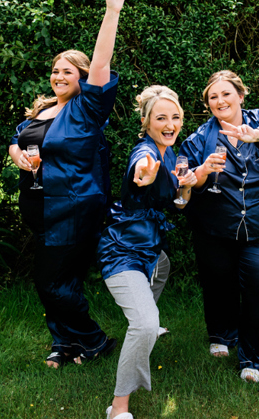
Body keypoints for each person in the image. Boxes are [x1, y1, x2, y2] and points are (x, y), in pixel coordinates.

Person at [8, 0, 126, 368]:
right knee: (63, 282)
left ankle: (93, 340)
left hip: (72, 207)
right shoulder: (42, 110)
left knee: (50, 283)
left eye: (68, 72)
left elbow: (103, 62)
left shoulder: (86, 111)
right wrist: (15, 153)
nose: (59, 76)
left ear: (82, 78)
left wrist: (111, 14)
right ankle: (65, 344)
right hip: (40, 207)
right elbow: (18, 138)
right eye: (55, 70)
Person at [179, 70, 259, 383]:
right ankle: (223, 335)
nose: (220, 100)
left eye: (226, 94)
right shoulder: (199, 138)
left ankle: (254, 355)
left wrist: (257, 135)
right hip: (215, 230)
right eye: (213, 97)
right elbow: (182, 182)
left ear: (241, 95)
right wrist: (197, 175)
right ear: (208, 105)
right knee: (218, 283)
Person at [98, 85, 196, 419]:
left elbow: (179, 205)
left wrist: (189, 183)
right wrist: (144, 175)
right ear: (145, 122)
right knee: (144, 323)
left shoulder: (172, 153)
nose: (170, 124)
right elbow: (141, 171)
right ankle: (118, 407)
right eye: (161, 118)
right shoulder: (145, 152)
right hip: (122, 250)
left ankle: (147, 324)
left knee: (163, 268)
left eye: (176, 117)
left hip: (152, 250)